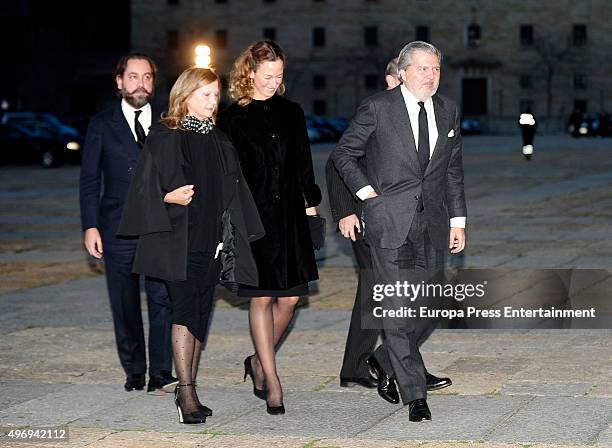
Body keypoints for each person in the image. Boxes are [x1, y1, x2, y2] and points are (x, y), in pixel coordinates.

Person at [117, 67, 264, 424]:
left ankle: (191, 385)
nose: (213, 103)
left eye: (216, 96)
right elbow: (140, 191)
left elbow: (231, 190)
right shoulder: (166, 135)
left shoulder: (219, 140)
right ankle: (186, 394)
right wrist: (167, 197)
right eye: (205, 95)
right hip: (177, 241)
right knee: (184, 311)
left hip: (211, 242)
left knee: (199, 314)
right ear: (185, 96)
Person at [331, 41, 466, 422]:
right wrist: (365, 193)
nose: (430, 75)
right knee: (397, 308)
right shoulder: (378, 107)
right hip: (388, 224)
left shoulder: (447, 110)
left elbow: (453, 172)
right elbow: (343, 154)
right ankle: (414, 394)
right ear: (403, 73)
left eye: (435, 69)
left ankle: (382, 356)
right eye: (423, 68)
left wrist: (458, 221)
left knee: (431, 303)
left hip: (433, 225)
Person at [218, 39, 321, 415]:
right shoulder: (231, 118)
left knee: (291, 298)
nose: (274, 82)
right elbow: (227, 174)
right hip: (253, 218)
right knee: (261, 297)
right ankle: (273, 379)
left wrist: (311, 204)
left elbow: (304, 164)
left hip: (291, 217)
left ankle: (258, 361)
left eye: (279, 76)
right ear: (249, 74)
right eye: (267, 76)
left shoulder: (292, 112)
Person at [79, 53, 176, 394]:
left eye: (147, 77)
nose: (141, 83)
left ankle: (161, 373)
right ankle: (134, 369)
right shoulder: (102, 123)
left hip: (160, 225)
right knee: (124, 300)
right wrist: (90, 226)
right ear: (119, 82)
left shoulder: (168, 120)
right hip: (116, 226)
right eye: (133, 77)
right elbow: (90, 179)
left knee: (163, 298)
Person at [325, 56, 402, 393]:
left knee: (375, 290)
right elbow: (336, 162)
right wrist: (344, 211)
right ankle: (388, 361)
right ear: (390, 80)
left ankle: (358, 365)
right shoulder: (374, 111)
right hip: (366, 218)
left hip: (398, 221)